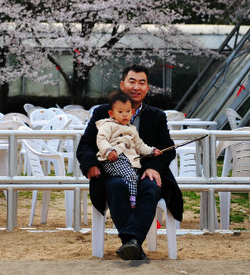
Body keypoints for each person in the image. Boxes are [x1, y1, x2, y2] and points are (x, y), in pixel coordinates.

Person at [77, 64, 183, 261]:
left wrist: (154, 168)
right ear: (122, 84)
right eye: (131, 81)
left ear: (147, 87)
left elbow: (167, 147)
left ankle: (130, 242)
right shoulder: (103, 112)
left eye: (141, 82)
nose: (136, 87)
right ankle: (133, 242)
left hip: (144, 172)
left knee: (151, 187)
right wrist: (90, 164)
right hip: (112, 172)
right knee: (117, 186)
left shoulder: (156, 116)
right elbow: (86, 145)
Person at [96, 91, 162, 208]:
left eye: (127, 112)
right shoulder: (107, 125)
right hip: (114, 159)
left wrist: (152, 151)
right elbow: (101, 139)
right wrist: (108, 150)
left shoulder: (132, 129)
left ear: (132, 112)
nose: (125, 115)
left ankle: (131, 197)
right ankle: (132, 200)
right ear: (111, 113)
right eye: (120, 112)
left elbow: (140, 145)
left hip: (129, 161)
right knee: (131, 177)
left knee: (134, 177)